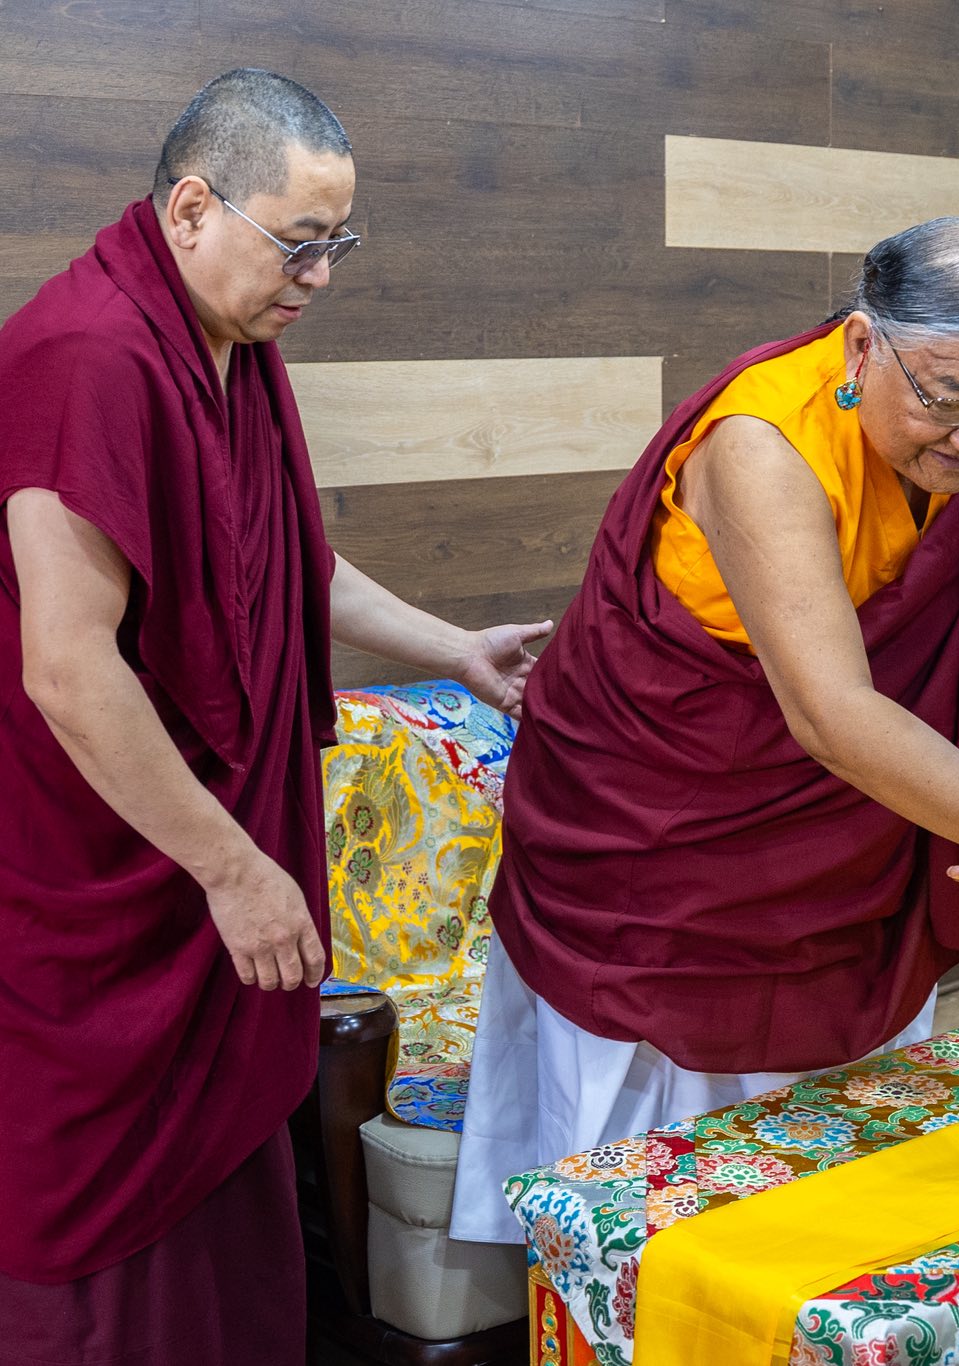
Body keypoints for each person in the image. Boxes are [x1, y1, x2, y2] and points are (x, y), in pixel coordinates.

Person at [449, 217, 959, 1243]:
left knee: (828, 1199)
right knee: (663, 1181)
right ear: (865, 346)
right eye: (946, 402)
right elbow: (831, 715)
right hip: (670, 839)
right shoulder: (762, 443)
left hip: (855, 849)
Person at [0, 70, 549, 1364]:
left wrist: (457, 649)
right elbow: (69, 670)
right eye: (299, 241)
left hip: (193, 880)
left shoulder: (229, 352)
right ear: (193, 207)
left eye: (337, 244)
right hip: (116, 879)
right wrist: (235, 869)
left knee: (235, 1215)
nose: (320, 274)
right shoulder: (85, 358)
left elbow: (293, 562)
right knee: (107, 1249)